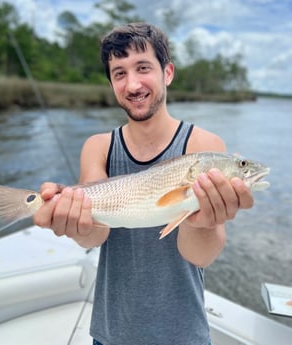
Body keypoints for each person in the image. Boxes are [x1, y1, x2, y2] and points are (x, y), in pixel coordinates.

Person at [34, 22, 254, 345]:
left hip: (184, 335)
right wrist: (72, 222)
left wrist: (203, 221)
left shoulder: (203, 147)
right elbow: (97, 232)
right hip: (111, 334)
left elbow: (200, 255)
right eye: (119, 73)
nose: (133, 84)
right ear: (111, 83)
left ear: (167, 73)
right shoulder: (98, 147)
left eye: (143, 68)